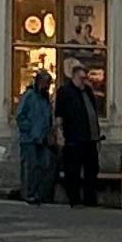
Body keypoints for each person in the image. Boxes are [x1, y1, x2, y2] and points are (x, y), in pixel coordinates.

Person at [53, 60, 101, 207]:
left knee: (91, 170)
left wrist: (97, 136)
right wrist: (60, 134)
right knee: (72, 170)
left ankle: (90, 199)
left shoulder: (87, 91)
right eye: (82, 78)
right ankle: (75, 199)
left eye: (85, 78)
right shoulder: (65, 92)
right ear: (74, 77)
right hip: (74, 139)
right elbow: (58, 114)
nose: (84, 81)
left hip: (90, 139)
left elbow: (93, 113)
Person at [15, 68, 56, 206]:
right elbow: (20, 116)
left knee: (41, 167)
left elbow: (48, 118)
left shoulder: (45, 100)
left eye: (49, 84)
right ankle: (29, 194)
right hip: (30, 140)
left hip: (42, 139)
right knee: (30, 167)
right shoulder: (29, 96)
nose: (47, 87)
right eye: (46, 84)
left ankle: (37, 194)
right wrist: (31, 131)